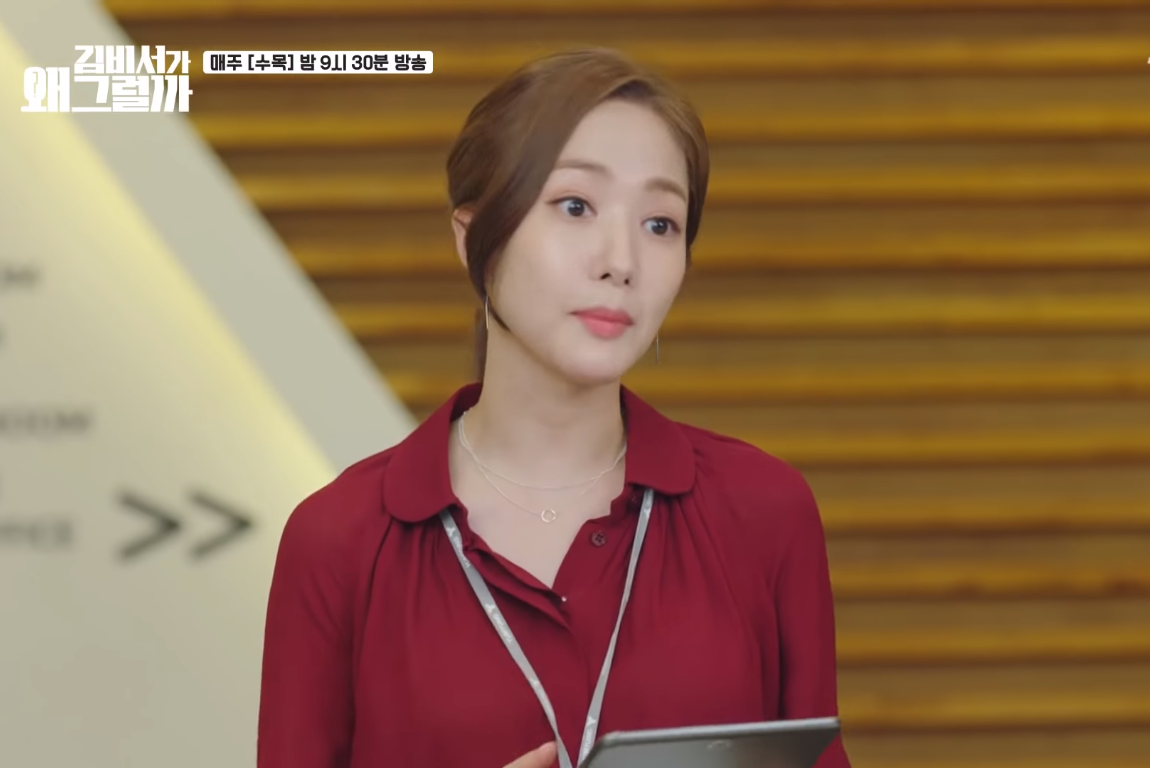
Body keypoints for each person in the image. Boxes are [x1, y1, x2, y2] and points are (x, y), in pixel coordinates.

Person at [257, 48, 850, 768]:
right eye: (575, 206)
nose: (620, 261)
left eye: (660, 223)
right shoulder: (338, 540)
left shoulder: (764, 511)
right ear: (475, 238)